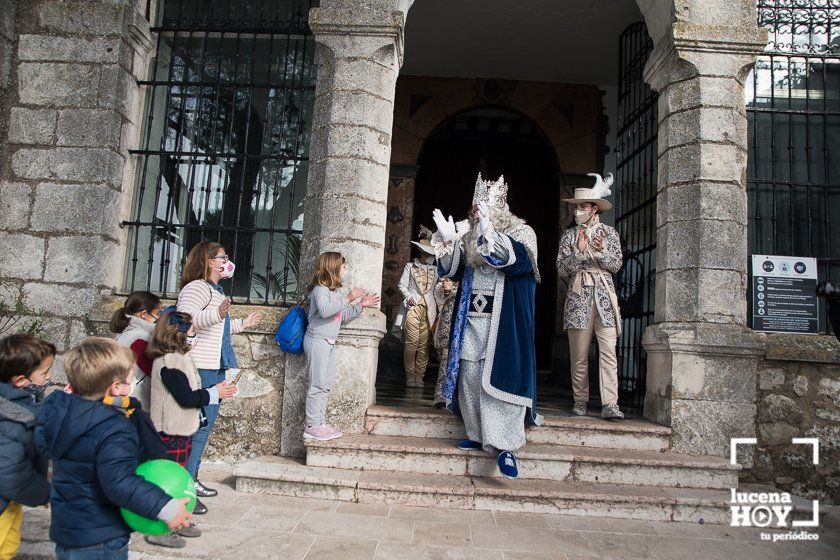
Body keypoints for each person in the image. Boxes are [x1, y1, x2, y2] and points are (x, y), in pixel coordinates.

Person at [35, 337, 191, 560]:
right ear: (115, 387)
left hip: (68, 529)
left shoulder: (61, 413)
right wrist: (167, 508)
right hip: (100, 536)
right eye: (130, 378)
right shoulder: (113, 428)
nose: (133, 382)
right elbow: (119, 482)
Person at [432, 173, 541, 479]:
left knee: (497, 382)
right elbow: (451, 272)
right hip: (470, 319)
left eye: (482, 208)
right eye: (474, 208)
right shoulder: (470, 236)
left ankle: (505, 445)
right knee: (469, 375)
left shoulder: (523, 233)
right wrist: (450, 242)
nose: (476, 213)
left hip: (503, 322)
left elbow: (519, 262)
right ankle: (478, 433)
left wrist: (491, 235)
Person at [176, 241, 261, 500]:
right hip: (201, 365)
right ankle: (186, 480)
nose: (227, 261)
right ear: (209, 261)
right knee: (198, 424)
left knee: (205, 423)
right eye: (222, 257)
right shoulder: (197, 287)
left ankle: (191, 477)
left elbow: (217, 328)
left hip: (214, 364)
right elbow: (184, 320)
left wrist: (240, 323)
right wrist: (218, 312)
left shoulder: (214, 290)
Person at [145, 310, 236, 547]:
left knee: (179, 480)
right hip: (170, 431)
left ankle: (178, 520)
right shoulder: (168, 362)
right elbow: (185, 397)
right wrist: (215, 393)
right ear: (179, 334)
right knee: (168, 483)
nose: (195, 337)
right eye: (193, 332)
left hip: (182, 429)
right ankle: (160, 527)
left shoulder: (179, 358)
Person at [556, 172, 624, 420]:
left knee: (608, 350)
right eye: (576, 208)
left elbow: (616, 264)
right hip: (578, 296)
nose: (578, 212)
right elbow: (561, 269)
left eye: (582, 207)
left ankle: (610, 403)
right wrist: (580, 254)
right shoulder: (569, 236)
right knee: (579, 353)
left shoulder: (610, 233)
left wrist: (599, 251)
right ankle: (581, 400)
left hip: (605, 295)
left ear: (594, 209)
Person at [303, 252, 380, 441]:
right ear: (334, 268)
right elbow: (324, 311)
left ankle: (319, 422)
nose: (346, 271)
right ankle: (312, 424)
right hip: (317, 341)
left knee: (325, 384)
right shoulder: (320, 290)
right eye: (344, 267)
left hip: (328, 342)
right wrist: (349, 298)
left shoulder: (335, 292)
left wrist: (361, 305)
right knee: (317, 384)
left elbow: (341, 316)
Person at [0, 334, 53, 560]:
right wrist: (44, 493)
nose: (50, 377)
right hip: (4, 498)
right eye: (45, 372)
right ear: (21, 381)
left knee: (9, 546)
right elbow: (10, 473)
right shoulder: (12, 419)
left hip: (10, 500)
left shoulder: (25, 405)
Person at [395, 228, 441, 387]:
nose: (429, 257)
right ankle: (410, 376)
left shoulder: (435, 270)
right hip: (413, 309)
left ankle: (419, 376)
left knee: (424, 345)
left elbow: (437, 290)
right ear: (421, 253)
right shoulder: (410, 266)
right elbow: (402, 285)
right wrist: (409, 297)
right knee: (411, 343)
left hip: (428, 310)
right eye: (427, 254)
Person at [110, 291, 163, 410]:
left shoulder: (125, 333)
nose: (160, 318)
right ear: (144, 314)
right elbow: (153, 372)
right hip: (136, 401)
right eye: (158, 313)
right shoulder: (140, 338)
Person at [432, 278, 457, 407]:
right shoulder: (447, 277)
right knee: (445, 359)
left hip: (466, 323)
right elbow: (439, 293)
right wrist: (447, 290)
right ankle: (442, 395)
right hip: (448, 323)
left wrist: (451, 290)